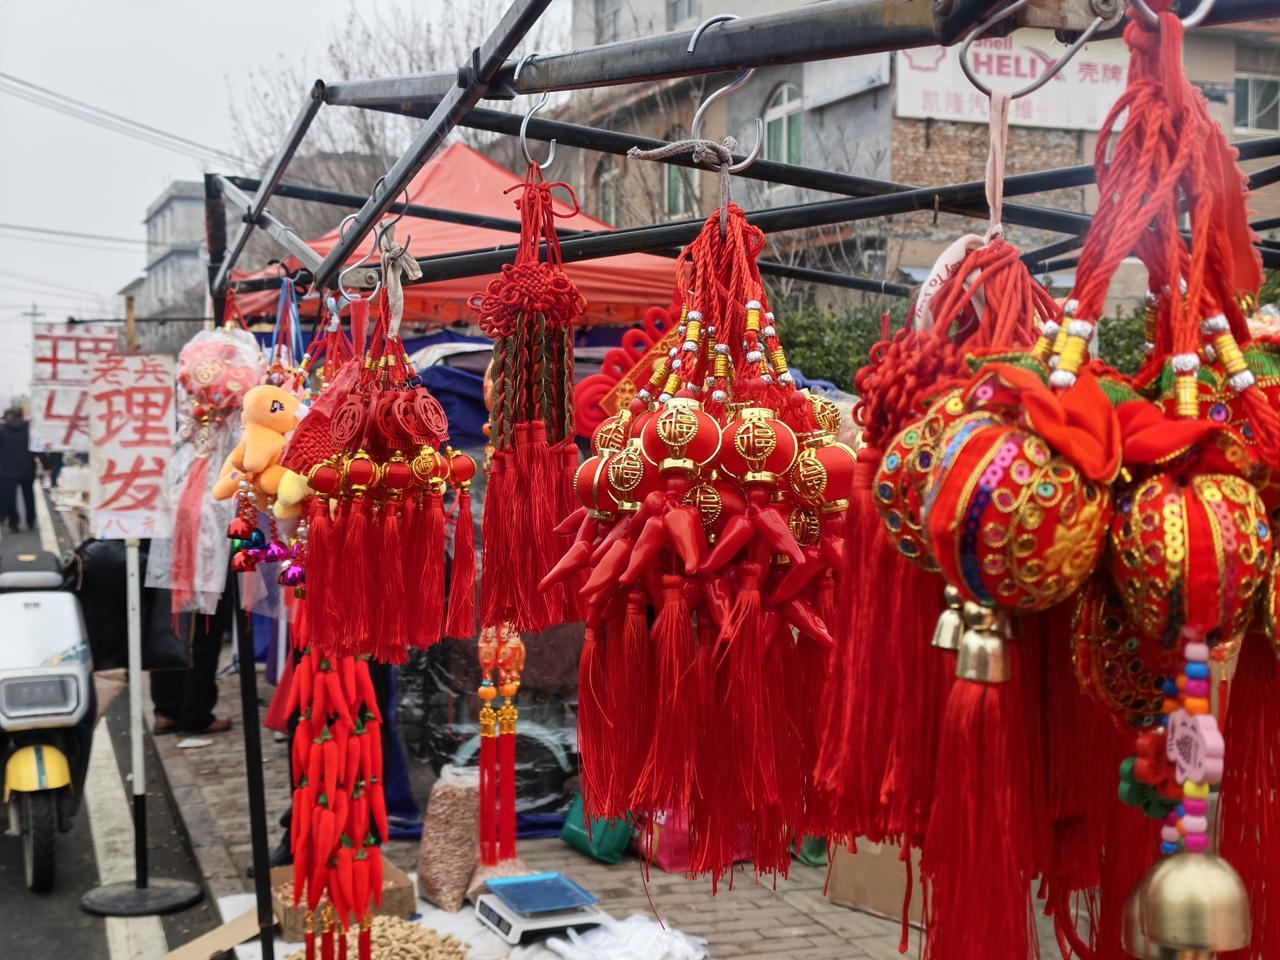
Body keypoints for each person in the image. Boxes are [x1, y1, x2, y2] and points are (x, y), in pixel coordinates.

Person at [0, 408, 36, 532]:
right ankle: (30, 520)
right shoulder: (30, 430)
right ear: (21, 416)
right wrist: (47, 465)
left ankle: (13, 523)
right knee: (29, 496)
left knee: (9, 498)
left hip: (6, 470)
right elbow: (37, 448)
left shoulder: (2, 430)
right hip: (27, 468)